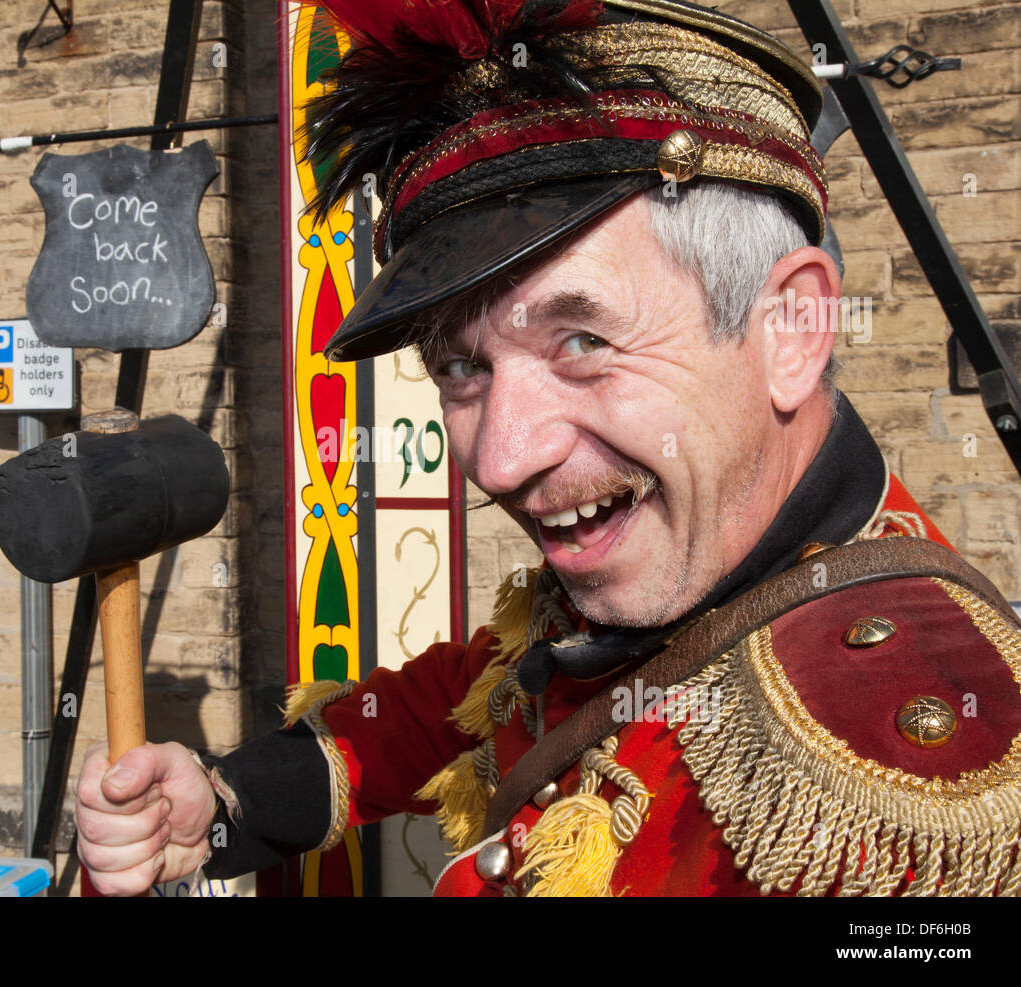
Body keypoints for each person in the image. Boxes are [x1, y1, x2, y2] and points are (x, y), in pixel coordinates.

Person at [74, 0, 1021, 896]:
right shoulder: (676, 575)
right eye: (461, 368)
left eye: (583, 341)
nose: (500, 460)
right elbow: (465, 703)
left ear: (791, 330)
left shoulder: (905, 800)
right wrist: (220, 804)